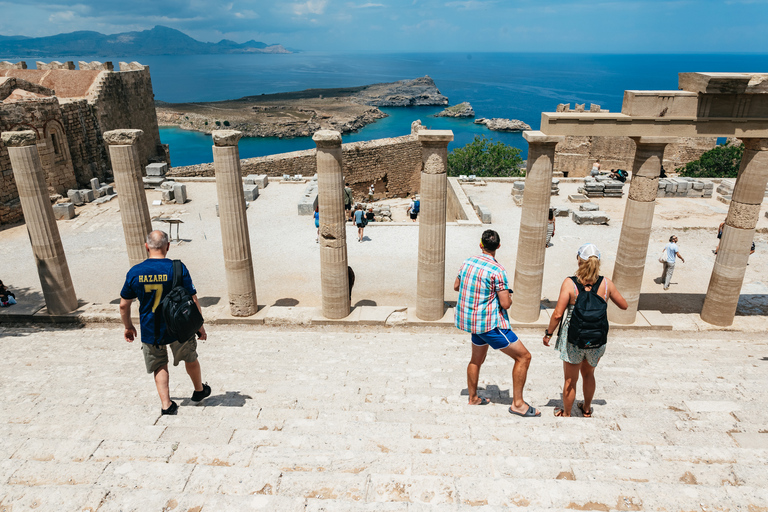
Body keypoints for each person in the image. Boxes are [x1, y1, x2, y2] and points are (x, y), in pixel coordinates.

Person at [119, 230, 210, 415]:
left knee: (159, 364)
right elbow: (193, 299)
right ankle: (199, 391)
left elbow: (123, 305)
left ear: (146, 247)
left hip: (150, 327)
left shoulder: (135, 272)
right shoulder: (177, 268)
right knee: (190, 357)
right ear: (168, 246)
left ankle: (166, 405)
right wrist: (199, 326)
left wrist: (128, 326)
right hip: (179, 326)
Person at [454, 230, 540, 417]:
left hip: (472, 322)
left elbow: (456, 286)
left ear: (480, 244)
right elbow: (505, 304)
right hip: (489, 324)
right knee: (524, 357)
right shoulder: (497, 270)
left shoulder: (467, 262)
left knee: (475, 360)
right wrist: (508, 294)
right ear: (498, 246)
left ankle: (473, 398)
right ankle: (517, 404)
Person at [543, 243, 627, 417]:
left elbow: (558, 315)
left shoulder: (570, 283)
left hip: (574, 338)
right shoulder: (606, 283)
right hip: (596, 337)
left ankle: (567, 412)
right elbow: (624, 305)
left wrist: (548, 334)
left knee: (570, 380)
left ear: (578, 260)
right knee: (588, 374)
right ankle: (587, 409)